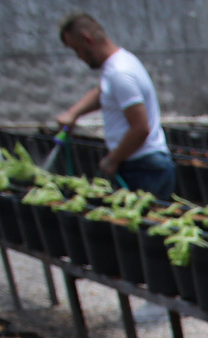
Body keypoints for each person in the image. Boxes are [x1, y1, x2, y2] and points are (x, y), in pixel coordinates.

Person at [53, 12, 177, 199]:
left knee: (140, 226)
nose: (79, 57)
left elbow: (140, 128)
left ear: (88, 40)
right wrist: (73, 113)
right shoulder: (118, 64)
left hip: (143, 168)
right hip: (144, 165)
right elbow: (103, 92)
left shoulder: (120, 73)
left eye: (76, 49)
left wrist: (112, 159)